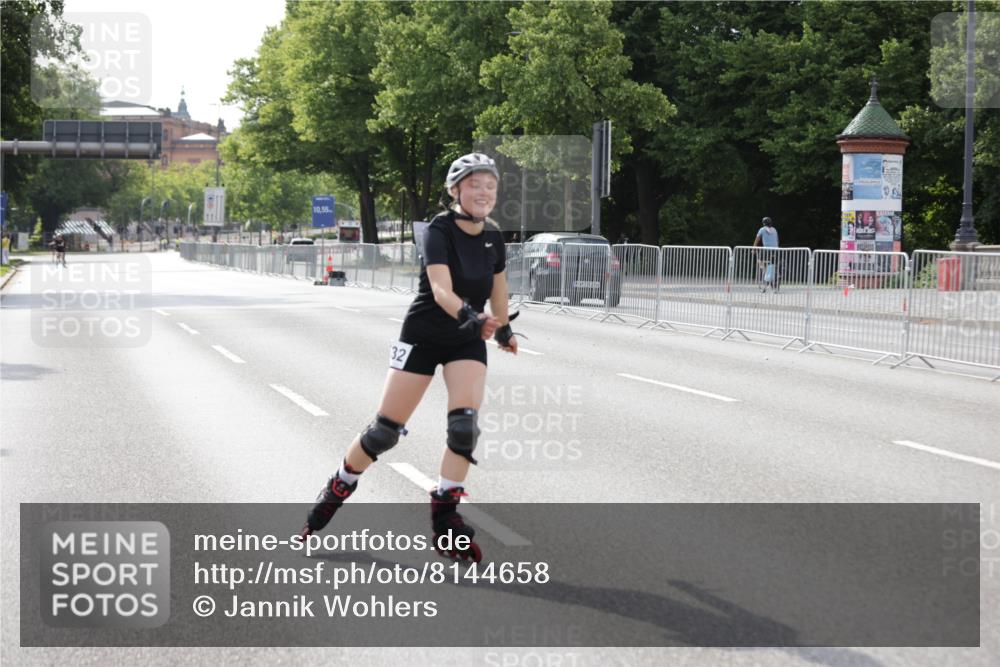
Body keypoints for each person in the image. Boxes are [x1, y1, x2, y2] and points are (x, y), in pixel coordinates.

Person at [300, 153, 520, 562]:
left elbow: (499, 288)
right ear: (456, 190)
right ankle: (336, 489)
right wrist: (472, 317)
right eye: (475, 185)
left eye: (490, 185)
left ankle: (445, 519)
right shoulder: (439, 230)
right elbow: (440, 289)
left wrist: (503, 327)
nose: (484, 192)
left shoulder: (493, 237)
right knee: (384, 432)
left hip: (465, 340)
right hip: (424, 334)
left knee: (464, 428)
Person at [752, 216, 779, 291]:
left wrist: (754, 248)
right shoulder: (774, 229)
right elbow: (776, 240)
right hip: (775, 250)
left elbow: (757, 239)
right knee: (772, 266)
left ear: (763, 223)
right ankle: (771, 280)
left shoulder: (762, 229)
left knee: (759, 262)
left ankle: (766, 274)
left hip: (767, 250)